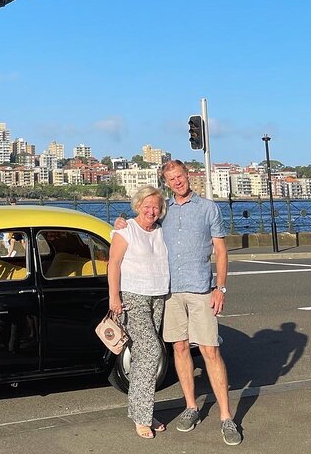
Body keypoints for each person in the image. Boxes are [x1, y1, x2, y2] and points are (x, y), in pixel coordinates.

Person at [113, 160, 242, 446]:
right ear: (167, 182)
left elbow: (221, 251)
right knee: (180, 349)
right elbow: (141, 223)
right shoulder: (165, 210)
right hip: (170, 293)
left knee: (210, 350)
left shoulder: (208, 208)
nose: (177, 182)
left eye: (180, 177)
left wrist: (220, 287)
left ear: (188, 176)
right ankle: (191, 407)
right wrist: (119, 223)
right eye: (171, 179)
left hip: (201, 291)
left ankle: (225, 416)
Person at [108, 185, 169, 439]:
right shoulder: (126, 230)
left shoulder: (160, 231)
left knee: (145, 358)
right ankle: (142, 417)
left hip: (159, 296)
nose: (151, 211)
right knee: (151, 351)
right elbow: (114, 263)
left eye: (156, 207)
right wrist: (114, 296)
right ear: (137, 206)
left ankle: (143, 411)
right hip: (134, 298)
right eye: (147, 206)